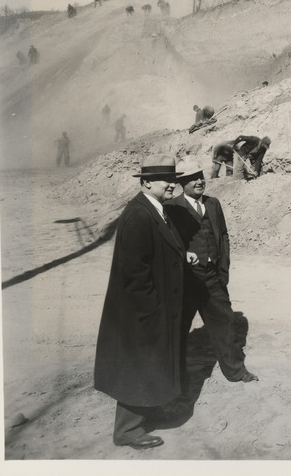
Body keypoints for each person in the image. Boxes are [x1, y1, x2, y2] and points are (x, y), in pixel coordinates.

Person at [93, 155, 186, 450]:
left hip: (155, 307)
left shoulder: (155, 209)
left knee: (152, 362)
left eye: (173, 179)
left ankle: (152, 408)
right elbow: (134, 272)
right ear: (146, 183)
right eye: (165, 180)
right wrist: (152, 310)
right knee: (138, 364)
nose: (172, 184)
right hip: (142, 311)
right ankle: (127, 430)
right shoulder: (139, 214)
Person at [165, 159, 259, 390]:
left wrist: (222, 271)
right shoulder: (171, 208)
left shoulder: (213, 204)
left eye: (200, 176)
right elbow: (167, 245)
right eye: (191, 178)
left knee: (225, 323)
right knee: (177, 330)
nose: (199, 181)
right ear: (181, 183)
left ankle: (236, 372)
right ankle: (174, 380)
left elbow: (223, 237)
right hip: (187, 281)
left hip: (212, 278)